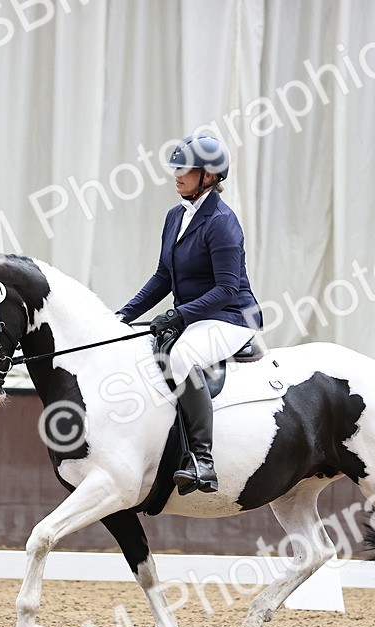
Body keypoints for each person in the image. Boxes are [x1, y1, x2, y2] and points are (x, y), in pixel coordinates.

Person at [116, 134, 262, 494]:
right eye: (176, 167)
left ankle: (203, 460)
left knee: (180, 356)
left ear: (209, 177)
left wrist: (179, 315)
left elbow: (227, 289)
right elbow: (163, 276)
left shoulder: (222, 222)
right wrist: (121, 315)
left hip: (233, 317)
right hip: (199, 316)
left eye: (185, 169)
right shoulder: (175, 216)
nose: (176, 175)